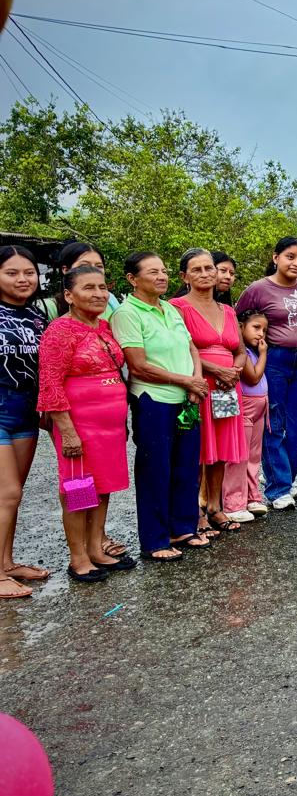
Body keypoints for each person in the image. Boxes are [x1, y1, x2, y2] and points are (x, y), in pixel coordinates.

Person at [38, 265, 133, 582]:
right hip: (79, 424)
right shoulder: (60, 331)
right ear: (69, 295)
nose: (98, 294)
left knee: (103, 486)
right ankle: (78, 557)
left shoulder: (104, 327)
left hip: (111, 425)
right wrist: (67, 431)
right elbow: (50, 384)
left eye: (102, 287)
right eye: (89, 288)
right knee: (79, 488)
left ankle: (96, 548)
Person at [112, 251, 209, 560]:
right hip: (153, 400)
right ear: (132, 279)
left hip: (186, 398)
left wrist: (196, 381)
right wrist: (186, 381)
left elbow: (192, 349)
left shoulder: (169, 308)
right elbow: (138, 366)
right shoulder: (127, 313)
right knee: (155, 470)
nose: (162, 276)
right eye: (153, 272)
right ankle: (155, 540)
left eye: (164, 271)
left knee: (186, 466)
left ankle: (183, 527)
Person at [235, 237, 297, 510]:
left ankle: (284, 477)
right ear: (275, 258)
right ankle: (278, 487)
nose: (296, 263)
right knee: (274, 425)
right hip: (273, 360)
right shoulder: (258, 289)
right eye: (290, 257)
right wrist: (249, 356)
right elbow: (238, 322)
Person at [172, 249, 249, 537]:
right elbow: (180, 349)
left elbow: (239, 350)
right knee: (197, 448)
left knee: (222, 449)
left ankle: (215, 506)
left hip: (227, 388)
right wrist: (217, 371)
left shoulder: (227, 310)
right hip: (199, 385)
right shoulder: (177, 307)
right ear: (185, 276)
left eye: (209, 268)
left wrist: (234, 371)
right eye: (197, 269)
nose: (205, 274)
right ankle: (195, 509)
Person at [0, 246, 47, 597]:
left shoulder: (38, 316)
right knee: (8, 492)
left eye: (29, 272)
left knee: (13, 495)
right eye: (12, 273)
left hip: (26, 412)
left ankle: (7, 562)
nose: (22, 279)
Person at [223, 309, 270, 523]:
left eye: (264, 330)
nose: (261, 334)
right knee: (239, 456)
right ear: (240, 327)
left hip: (259, 408)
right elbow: (253, 377)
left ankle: (252, 496)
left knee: (254, 455)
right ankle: (234, 502)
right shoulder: (242, 352)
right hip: (245, 408)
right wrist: (263, 354)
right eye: (256, 327)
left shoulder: (251, 351)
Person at [38, 241, 120, 321]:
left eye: (99, 266)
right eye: (84, 266)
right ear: (66, 270)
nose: (93, 270)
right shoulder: (49, 308)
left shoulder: (110, 300)